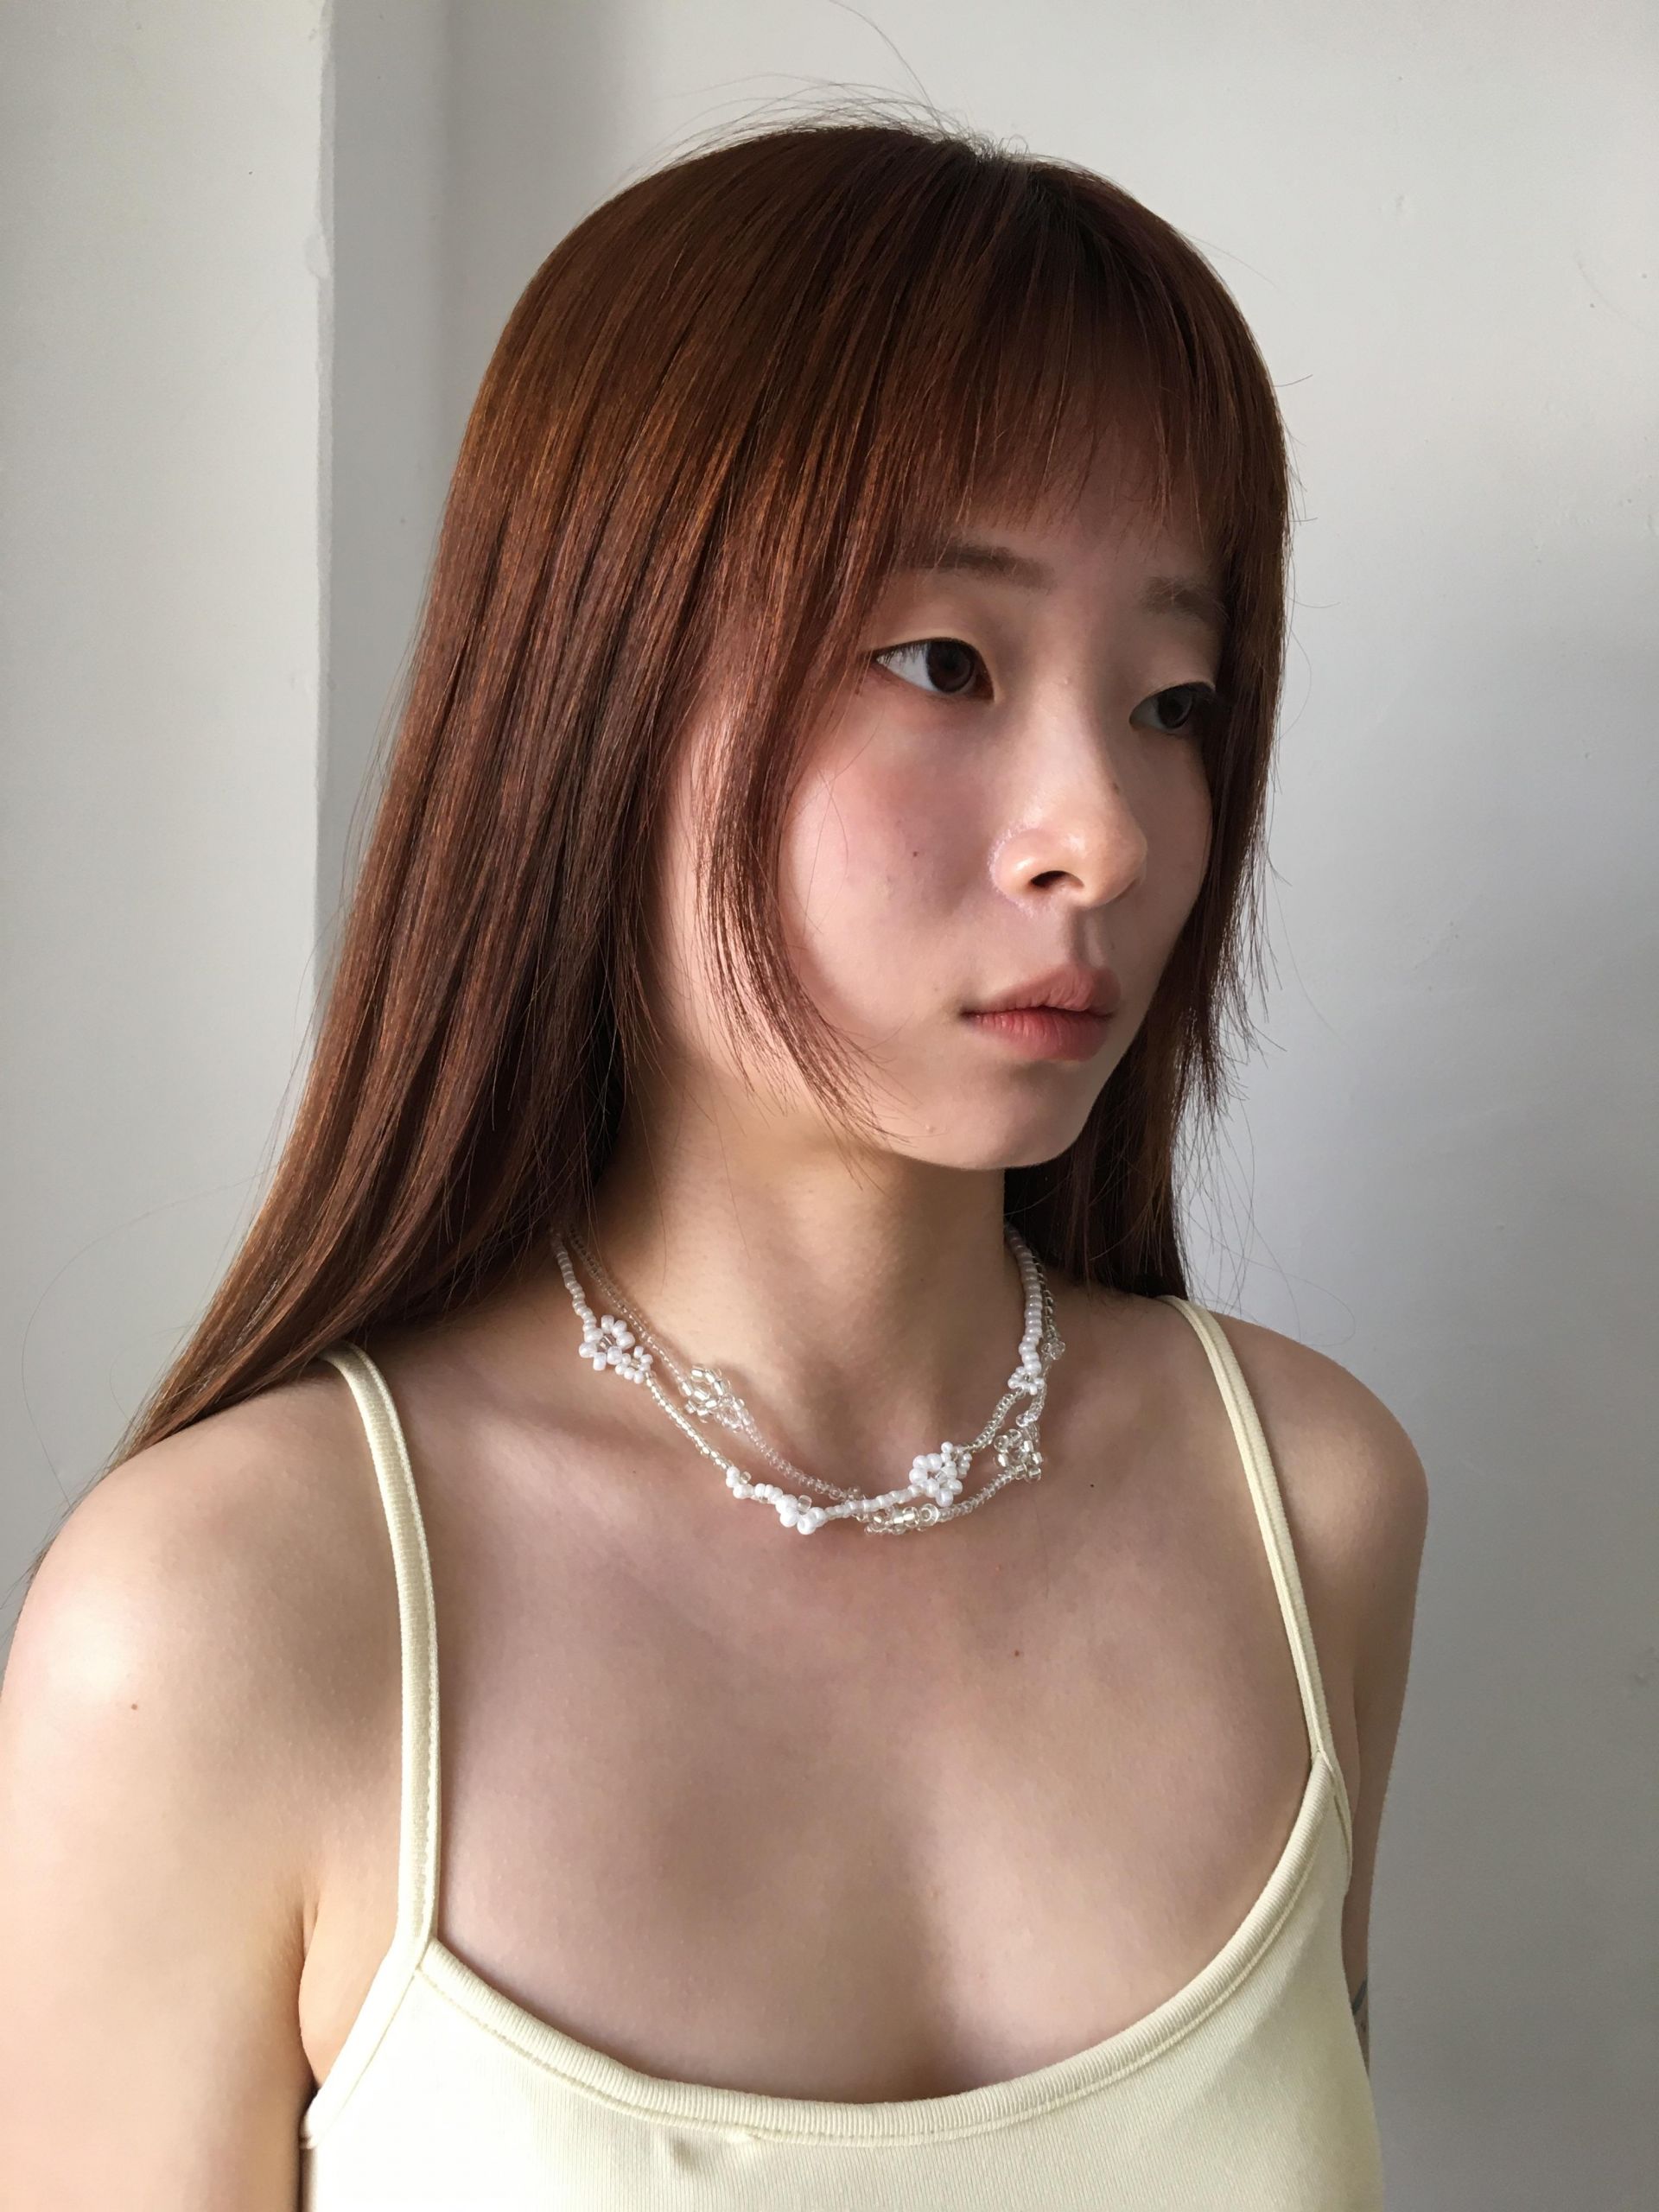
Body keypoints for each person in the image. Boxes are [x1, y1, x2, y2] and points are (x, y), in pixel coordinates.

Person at [0, 105, 1427, 2209]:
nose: (1104, 837)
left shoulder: (1306, 1505)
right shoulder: (229, 1612)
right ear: (600, 685)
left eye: (1176, 700)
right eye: (943, 662)